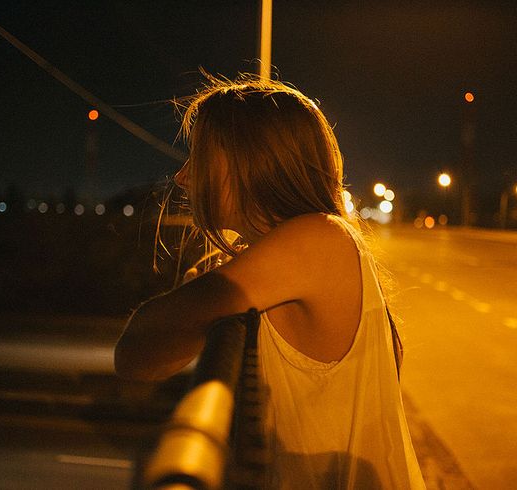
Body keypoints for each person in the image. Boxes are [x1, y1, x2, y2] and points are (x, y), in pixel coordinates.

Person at [114, 74, 425, 489]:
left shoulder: (318, 239)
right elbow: (145, 364)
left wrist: (205, 292)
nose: (183, 177)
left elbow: (136, 349)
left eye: (201, 156)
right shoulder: (293, 252)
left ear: (251, 161)